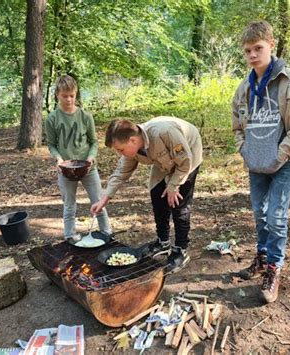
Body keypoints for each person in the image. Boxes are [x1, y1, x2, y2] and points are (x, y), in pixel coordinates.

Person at [231, 20, 290, 303]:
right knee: (259, 214)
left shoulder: (289, 82)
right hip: (256, 164)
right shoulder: (243, 88)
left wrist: (281, 153)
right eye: (247, 51)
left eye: (258, 48)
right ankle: (262, 257)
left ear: (271, 45)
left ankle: (274, 268)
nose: (253, 55)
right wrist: (244, 149)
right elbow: (236, 127)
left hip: (284, 163)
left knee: (275, 217)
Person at [90, 116, 203, 273]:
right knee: (157, 196)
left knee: (178, 204)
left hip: (188, 154)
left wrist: (173, 185)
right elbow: (121, 173)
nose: (119, 153)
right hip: (163, 161)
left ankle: (180, 250)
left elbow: (184, 161)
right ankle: (162, 242)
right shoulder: (133, 149)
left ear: (133, 140)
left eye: (120, 149)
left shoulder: (164, 132)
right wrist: (104, 199)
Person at [45, 75, 111, 240]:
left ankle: (106, 232)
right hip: (66, 169)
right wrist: (58, 159)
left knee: (98, 200)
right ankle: (69, 235)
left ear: (76, 94)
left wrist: (91, 157)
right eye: (64, 96)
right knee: (69, 205)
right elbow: (51, 144)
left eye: (72, 95)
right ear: (57, 95)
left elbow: (94, 142)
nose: (69, 99)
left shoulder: (85, 117)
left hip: (88, 167)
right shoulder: (52, 118)